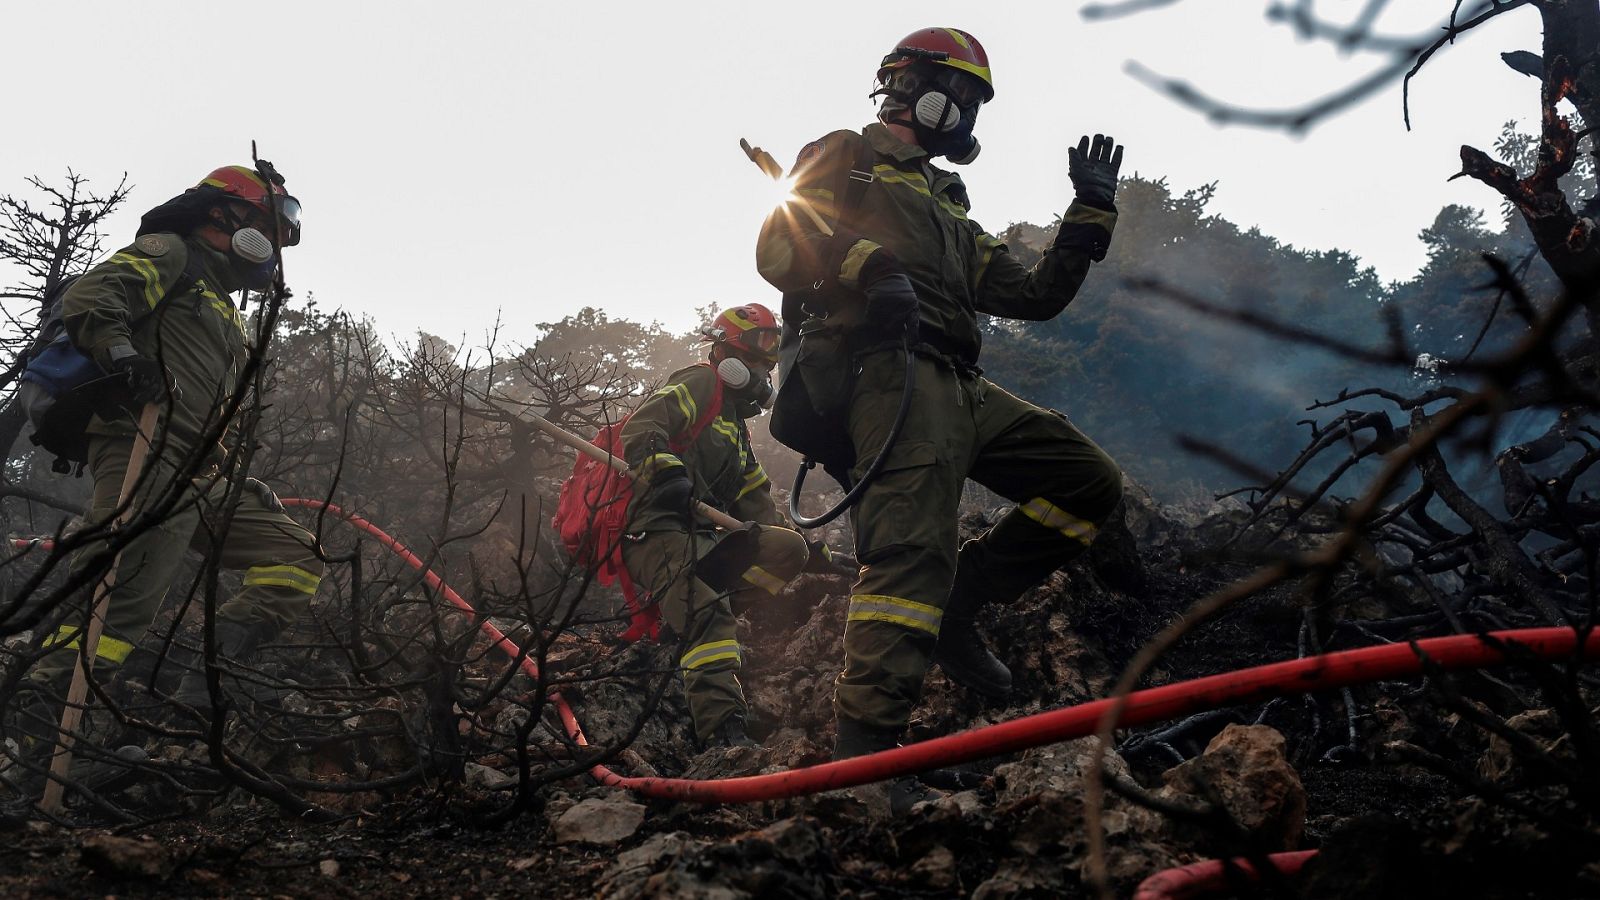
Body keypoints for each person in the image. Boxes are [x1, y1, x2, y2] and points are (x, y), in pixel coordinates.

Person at [755, 28, 1127, 773]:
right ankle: (864, 765)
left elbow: (1032, 295)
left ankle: (967, 600)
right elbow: (779, 245)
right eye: (960, 94)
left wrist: (1089, 211)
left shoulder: (949, 200)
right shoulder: (847, 156)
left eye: (974, 102)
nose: (966, 114)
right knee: (907, 560)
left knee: (1088, 483)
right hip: (891, 374)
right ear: (913, 85)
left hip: (962, 381)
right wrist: (870, 266)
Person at [20, 164, 321, 724]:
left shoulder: (223, 305)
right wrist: (124, 358)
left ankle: (195, 698)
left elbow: (205, 401)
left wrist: (227, 466)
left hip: (195, 469)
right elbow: (94, 294)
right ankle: (43, 733)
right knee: (119, 595)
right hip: (142, 444)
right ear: (219, 212)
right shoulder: (171, 254)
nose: (271, 247)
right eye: (264, 226)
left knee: (295, 557)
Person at [619, 303, 813, 749]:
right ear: (731, 357)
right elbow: (642, 427)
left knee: (788, 551)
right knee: (710, 615)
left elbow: (756, 502)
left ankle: (688, 613)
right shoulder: (701, 382)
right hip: (654, 530)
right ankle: (722, 731)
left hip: (700, 539)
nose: (765, 376)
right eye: (759, 360)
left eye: (769, 365)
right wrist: (666, 471)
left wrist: (810, 549)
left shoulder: (733, 426)